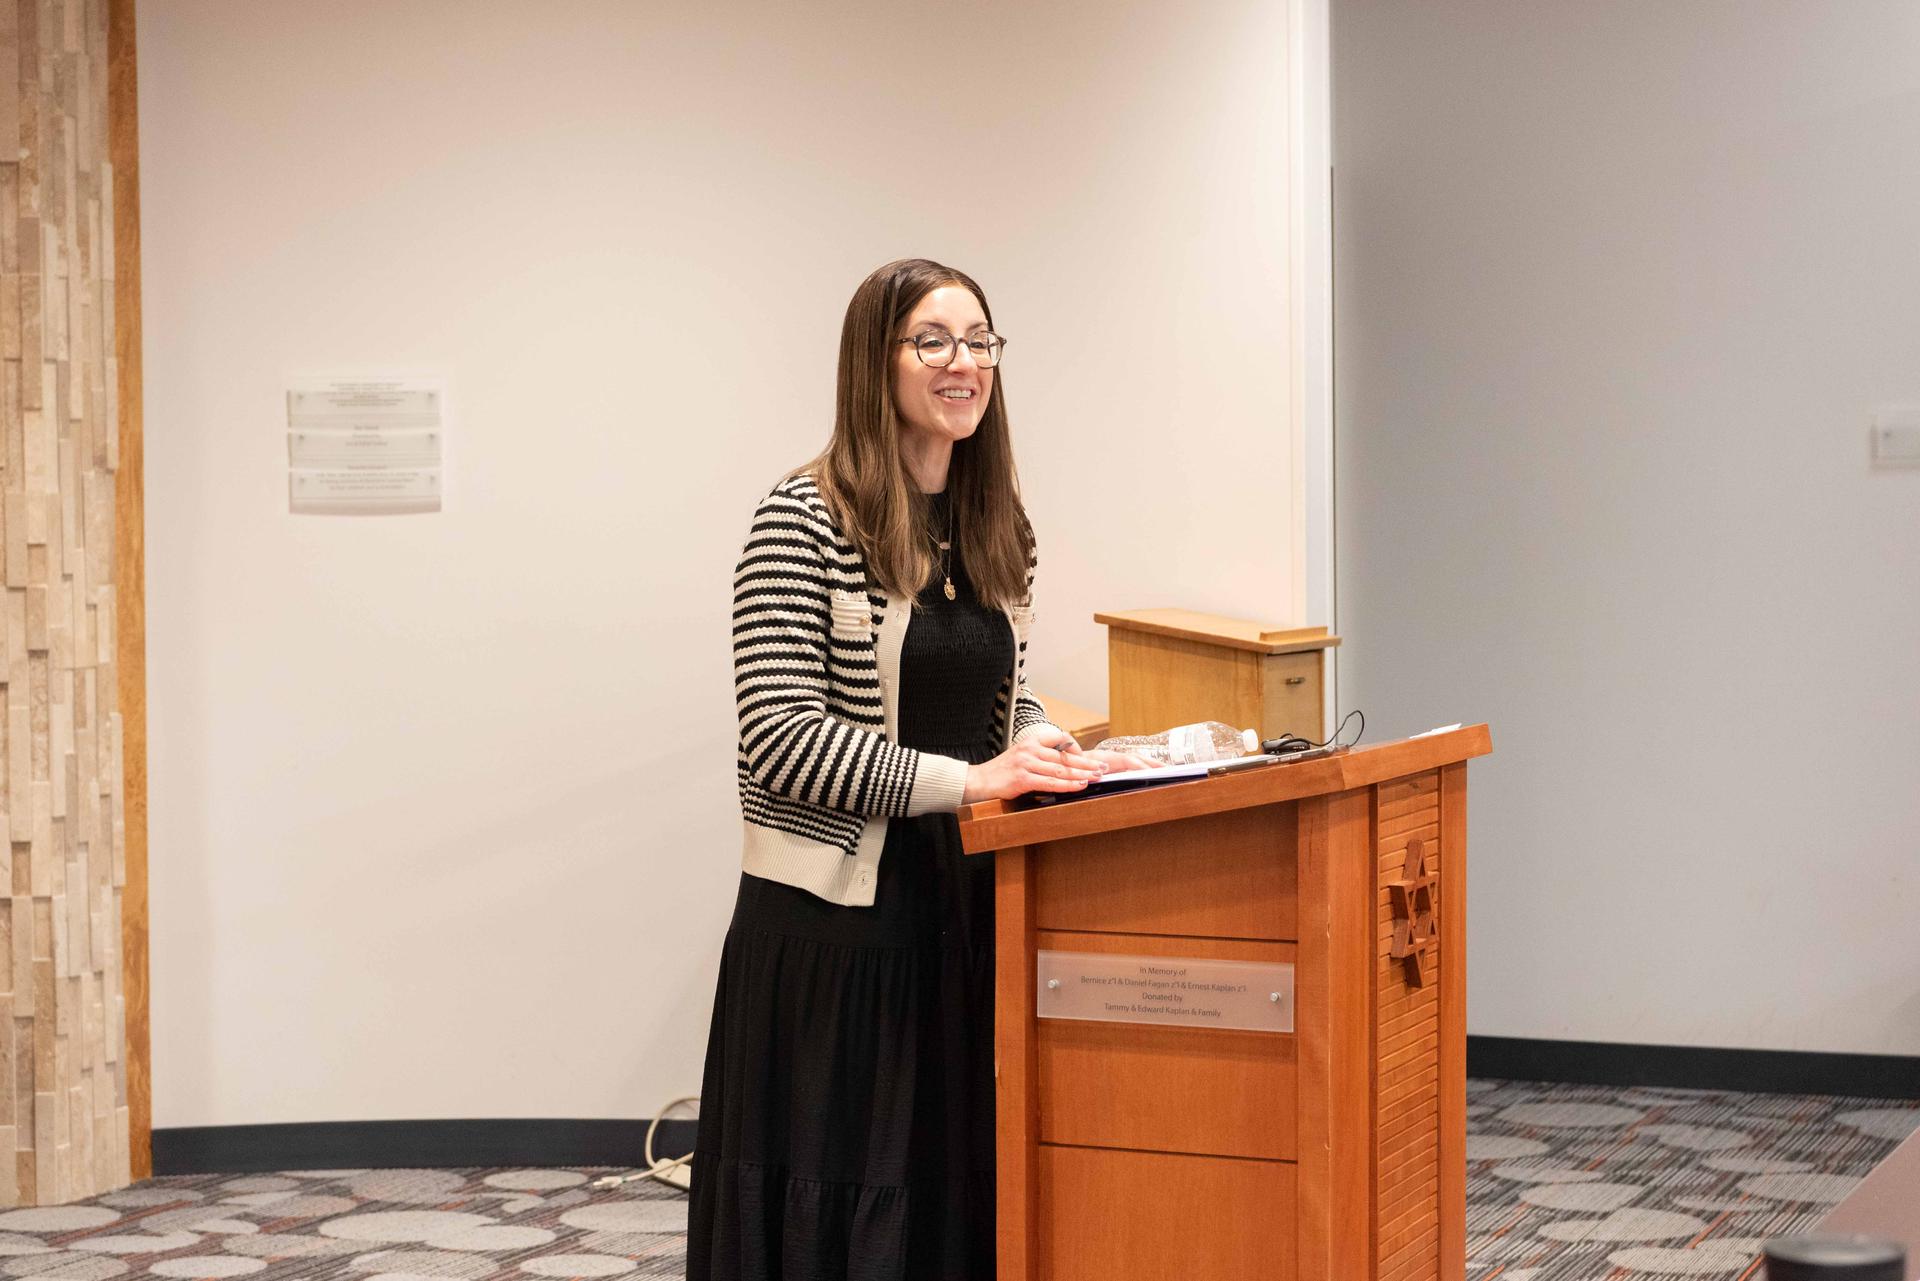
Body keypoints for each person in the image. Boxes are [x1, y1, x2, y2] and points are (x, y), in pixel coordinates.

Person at [686, 258, 1145, 1280]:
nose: (962, 362)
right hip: (838, 930)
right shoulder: (803, 518)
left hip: (966, 906)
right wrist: (974, 780)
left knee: (949, 1191)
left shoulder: (996, 526)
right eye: (932, 341)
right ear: (875, 361)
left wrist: (1044, 741)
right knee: (843, 1196)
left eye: (979, 341)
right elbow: (781, 738)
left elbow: (997, 692)